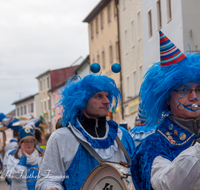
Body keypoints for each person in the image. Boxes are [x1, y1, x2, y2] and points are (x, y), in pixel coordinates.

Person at [36, 74, 135, 190]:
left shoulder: (122, 135)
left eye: (107, 96)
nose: (107, 101)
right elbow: (47, 179)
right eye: (98, 96)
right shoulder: (62, 138)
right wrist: (51, 187)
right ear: (82, 101)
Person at [131, 31, 200, 190]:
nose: (194, 97)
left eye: (199, 89)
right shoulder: (154, 143)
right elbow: (164, 184)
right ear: (167, 99)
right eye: (184, 90)